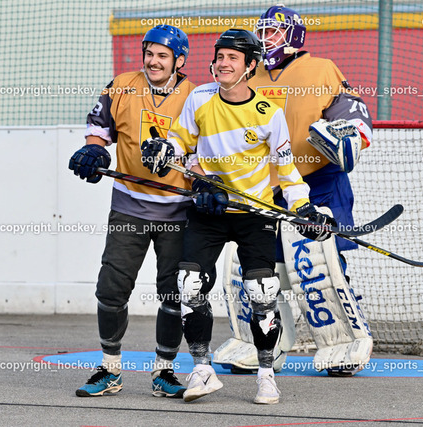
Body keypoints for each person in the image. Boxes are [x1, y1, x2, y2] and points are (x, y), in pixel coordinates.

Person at [141, 28, 332, 404]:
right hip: (208, 209)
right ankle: (201, 368)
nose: (223, 63)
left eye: (233, 57)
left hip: (253, 213)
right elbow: (182, 141)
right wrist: (165, 149)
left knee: (262, 293)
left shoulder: (268, 114)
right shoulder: (199, 98)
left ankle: (265, 375)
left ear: (250, 67)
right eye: (219, 56)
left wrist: (304, 208)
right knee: (189, 284)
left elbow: (287, 170)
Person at [212, 4, 375, 377]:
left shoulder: (320, 68)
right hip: (266, 189)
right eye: (263, 31)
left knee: (317, 265)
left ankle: (341, 342)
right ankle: (259, 342)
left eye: (273, 31)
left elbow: (352, 112)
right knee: (254, 267)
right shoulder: (248, 81)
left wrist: (347, 134)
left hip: (317, 182)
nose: (266, 38)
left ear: (295, 36)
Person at [68, 24, 196, 398]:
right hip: (129, 207)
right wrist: (94, 149)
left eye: (162, 55)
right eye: (149, 53)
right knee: (111, 288)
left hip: (177, 211)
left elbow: (204, 151)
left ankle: (165, 372)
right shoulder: (122, 85)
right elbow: (100, 129)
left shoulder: (197, 96)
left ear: (179, 61)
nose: (153, 61)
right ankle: (109, 370)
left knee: (173, 294)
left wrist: (201, 179)